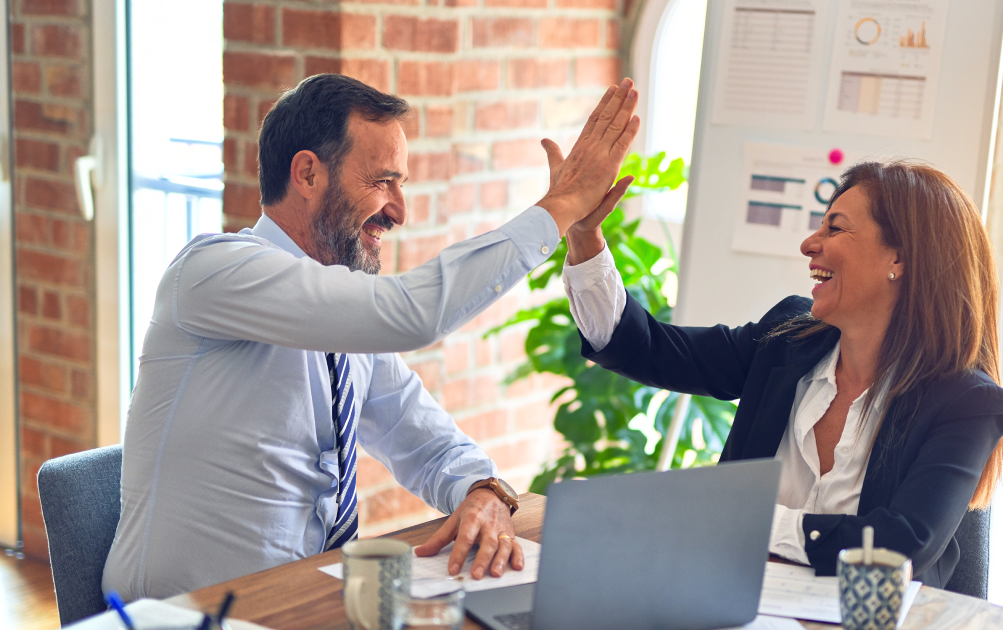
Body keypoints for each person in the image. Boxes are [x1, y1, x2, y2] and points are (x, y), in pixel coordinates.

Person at [102, 74, 641, 600]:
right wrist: (561, 207)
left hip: (303, 601)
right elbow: (413, 313)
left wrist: (483, 491)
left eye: (400, 184)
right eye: (383, 181)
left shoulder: (344, 322)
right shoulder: (213, 272)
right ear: (308, 175)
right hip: (183, 616)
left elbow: (425, 440)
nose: (399, 210)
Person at [561, 159, 1003, 588]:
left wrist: (746, 520)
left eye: (834, 228)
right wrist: (585, 237)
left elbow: (899, 546)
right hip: (735, 605)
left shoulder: (966, 402)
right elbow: (648, 349)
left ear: (899, 259)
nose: (809, 244)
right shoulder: (787, 340)